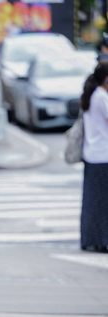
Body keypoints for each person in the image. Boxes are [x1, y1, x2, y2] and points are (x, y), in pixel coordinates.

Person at [80, 64, 108, 252]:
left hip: (93, 155)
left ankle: (91, 239)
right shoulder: (101, 97)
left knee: (93, 201)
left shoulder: (92, 95)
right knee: (103, 203)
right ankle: (102, 240)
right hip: (103, 155)